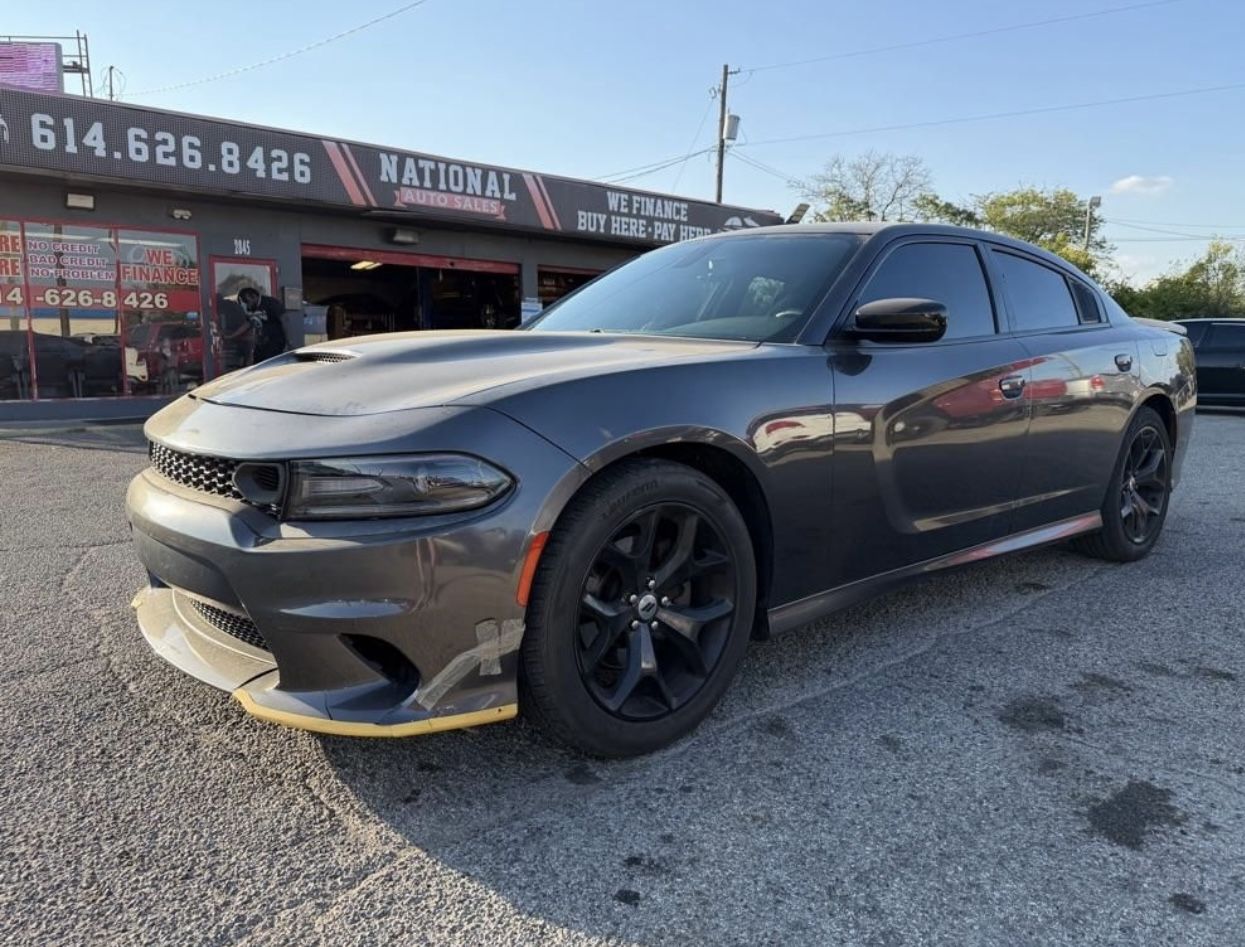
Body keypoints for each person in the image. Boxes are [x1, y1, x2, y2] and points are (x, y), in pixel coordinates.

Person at [239, 287, 287, 362]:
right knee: (257, 364)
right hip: (261, 344)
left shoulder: (271, 303)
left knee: (270, 365)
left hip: (275, 342)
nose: (247, 305)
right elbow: (248, 324)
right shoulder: (251, 308)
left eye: (247, 301)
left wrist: (289, 342)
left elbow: (285, 320)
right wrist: (231, 336)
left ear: (254, 297)